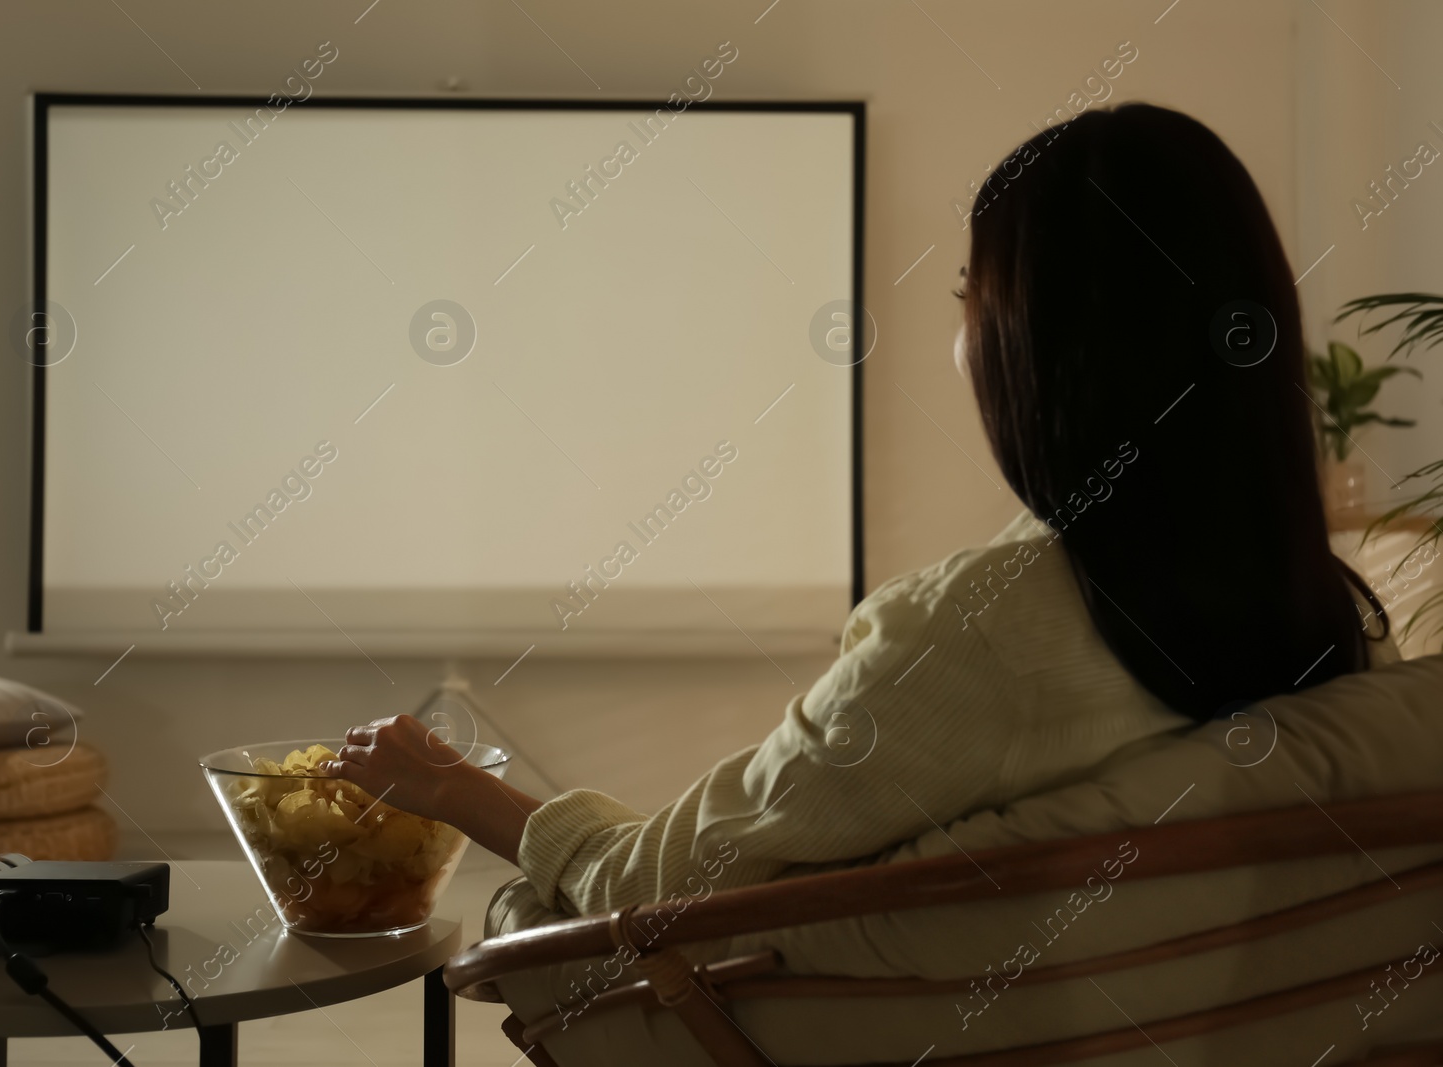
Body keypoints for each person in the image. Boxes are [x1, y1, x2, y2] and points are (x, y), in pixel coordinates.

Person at [319, 103, 1392, 921]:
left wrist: (451, 788)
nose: (960, 335)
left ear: (1043, 350)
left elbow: (658, 885)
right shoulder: (1330, 620)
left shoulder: (970, 638)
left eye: (969, 294)